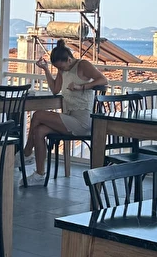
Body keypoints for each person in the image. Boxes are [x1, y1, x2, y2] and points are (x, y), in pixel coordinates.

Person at [19, 40, 108, 187]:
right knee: (39, 131)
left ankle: (27, 152)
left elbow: (103, 80)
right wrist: (46, 70)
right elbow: (55, 89)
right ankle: (39, 174)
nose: (60, 70)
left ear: (69, 59)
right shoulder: (62, 70)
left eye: (61, 67)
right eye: (57, 68)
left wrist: (82, 87)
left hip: (83, 121)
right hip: (69, 117)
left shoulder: (83, 65)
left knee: (38, 115)